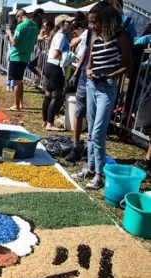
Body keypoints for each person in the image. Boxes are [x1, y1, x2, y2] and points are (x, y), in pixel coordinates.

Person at [73, 2, 131, 190]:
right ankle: (90, 167)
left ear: (106, 21)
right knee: (91, 131)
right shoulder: (95, 37)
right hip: (92, 85)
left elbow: (126, 65)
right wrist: (89, 72)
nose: (92, 26)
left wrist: (109, 75)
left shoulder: (120, 36)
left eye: (95, 22)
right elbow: (90, 62)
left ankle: (100, 173)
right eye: (90, 23)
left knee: (98, 132)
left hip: (107, 87)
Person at [65, 19, 90, 162]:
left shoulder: (119, 33)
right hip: (84, 76)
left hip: (100, 80)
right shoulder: (90, 34)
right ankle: (76, 145)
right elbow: (86, 52)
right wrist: (77, 72)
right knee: (79, 111)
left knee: (91, 115)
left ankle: (89, 148)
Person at [42, 15, 72, 132]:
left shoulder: (56, 35)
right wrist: (67, 57)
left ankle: (45, 121)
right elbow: (56, 54)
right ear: (61, 24)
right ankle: (50, 123)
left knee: (48, 95)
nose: (70, 25)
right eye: (67, 22)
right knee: (56, 95)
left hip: (49, 65)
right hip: (55, 66)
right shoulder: (61, 36)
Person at [7, 9, 40, 112]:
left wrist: (9, 33)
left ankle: (16, 105)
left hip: (17, 56)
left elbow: (14, 42)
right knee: (20, 81)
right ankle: (20, 103)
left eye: (17, 17)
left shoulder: (21, 26)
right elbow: (35, 41)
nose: (17, 20)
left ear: (20, 15)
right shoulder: (34, 25)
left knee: (16, 81)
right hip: (26, 56)